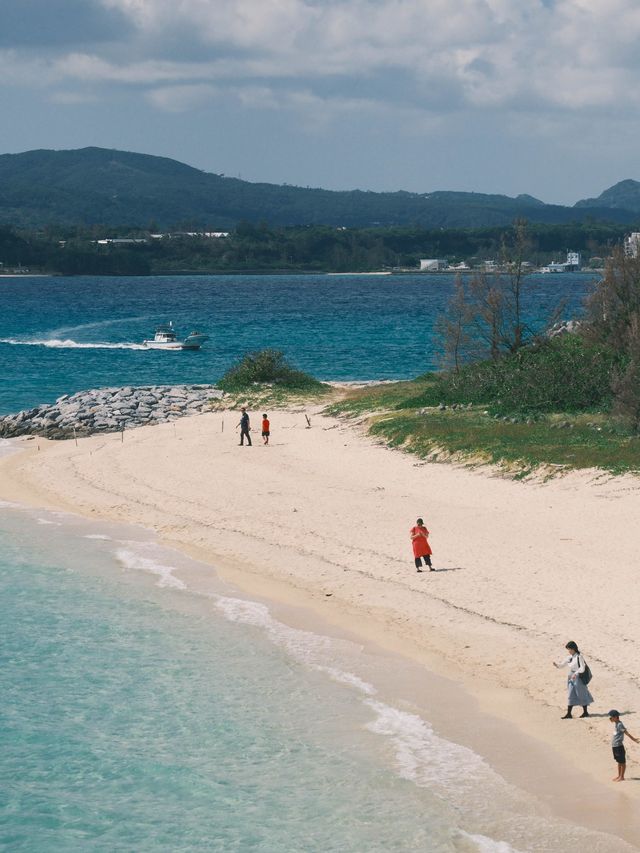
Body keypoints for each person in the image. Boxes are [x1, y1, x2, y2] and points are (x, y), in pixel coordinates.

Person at [553, 641, 594, 718]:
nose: (569, 651)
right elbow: (562, 665)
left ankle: (585, 712)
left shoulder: (579, 657)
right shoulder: (569, 657)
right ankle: (569, 714)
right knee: (570, 694)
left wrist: (576, 674)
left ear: (574, 648)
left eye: (570, 649)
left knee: (581, 694)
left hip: (578, 677)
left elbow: (582, 668)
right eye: (568, 649)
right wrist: (557, 665)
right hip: (571, 676)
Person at [608, 710, 639, 781]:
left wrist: (634, 739)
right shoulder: (616, 724)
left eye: (611, 717)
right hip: (615, 746)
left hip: (619, 746)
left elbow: (626, 733)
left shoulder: (619, 724)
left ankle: (622, 777)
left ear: (615, 717)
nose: (610, 719)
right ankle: (619, 776)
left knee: (622, 762)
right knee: (618, 761)